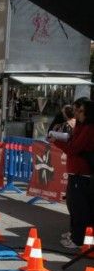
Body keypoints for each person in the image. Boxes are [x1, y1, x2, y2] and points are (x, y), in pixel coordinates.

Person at [49, 98, 94, 249]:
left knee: (79, 207)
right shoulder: (81, 126)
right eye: (75, 110)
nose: (76, 113)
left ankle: (77, 239)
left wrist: (57, 141)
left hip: (82, 174)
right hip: (76, 172)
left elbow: (74, 148)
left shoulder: (89, 127)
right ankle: (75, 234)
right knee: (73, 205)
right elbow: (73, 143)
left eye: (79, 110)